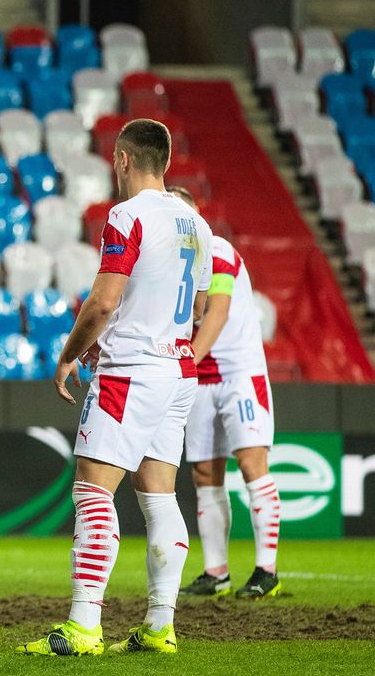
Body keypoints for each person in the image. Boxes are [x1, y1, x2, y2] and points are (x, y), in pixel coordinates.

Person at [18, 119, 213, 657]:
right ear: (166, 162)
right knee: (159, 497)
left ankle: (84, 627)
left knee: (92, 488)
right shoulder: (198, 226)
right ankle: (159, 626)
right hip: (178, 370)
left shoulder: (126, 217)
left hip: (131, 371)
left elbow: (103, 301)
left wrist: (68, 355)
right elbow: (196, 307)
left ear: (123, 160)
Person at [169, 186, 282, 600]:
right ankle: (217, 572)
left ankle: (266, 570)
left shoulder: (218, 251)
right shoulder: (169, 263)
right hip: (201, 379)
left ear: (196, 218)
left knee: (253, 466)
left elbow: (216, 312)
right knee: (204, 476)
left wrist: (185, 361)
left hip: (238, 374)